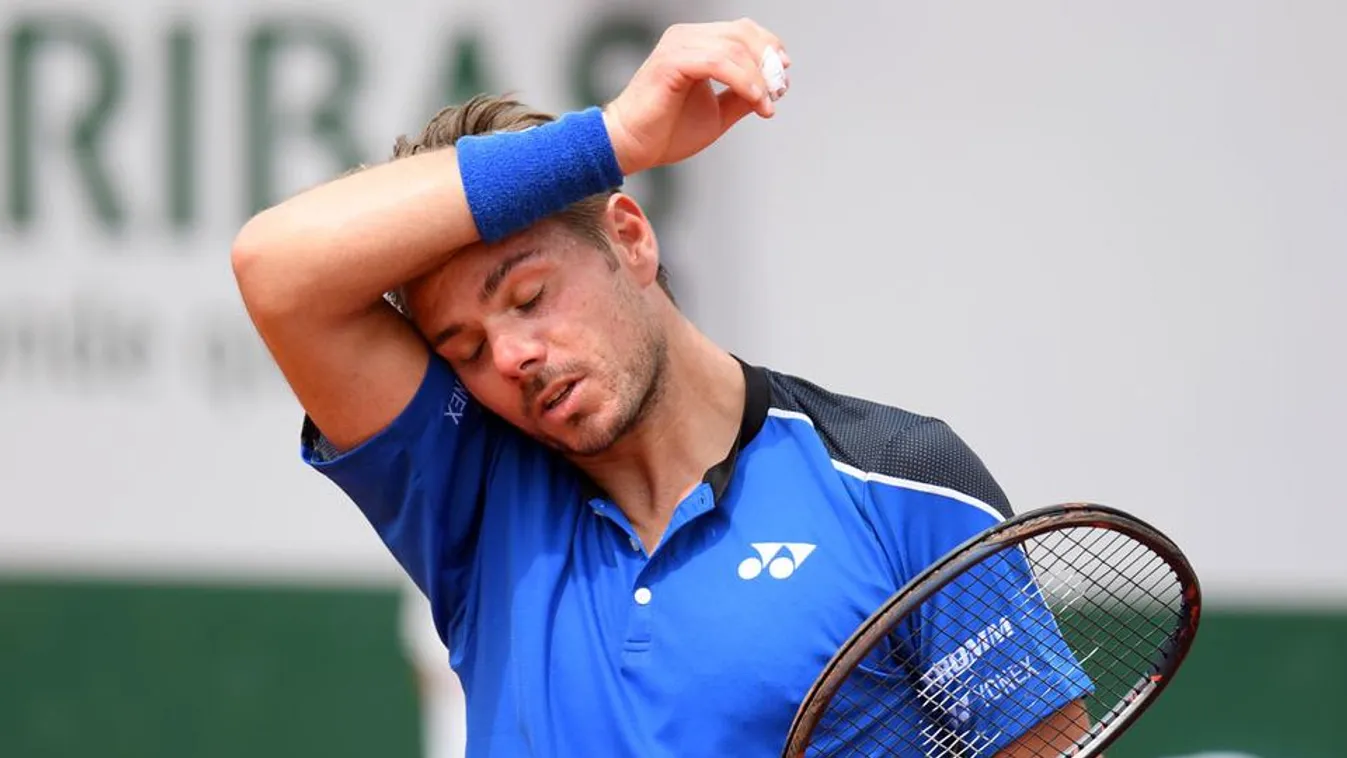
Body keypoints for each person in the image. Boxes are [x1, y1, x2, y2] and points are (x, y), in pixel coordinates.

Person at [231, 18, 1091, 757]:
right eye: (465, 348)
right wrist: (613, 139)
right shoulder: (472, 497)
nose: (511, 356)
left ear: (631, 239)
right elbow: (275, 270)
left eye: (528, 297)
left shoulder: (901, 478)